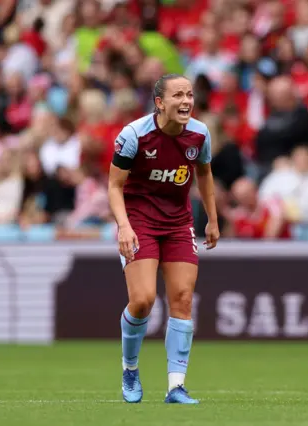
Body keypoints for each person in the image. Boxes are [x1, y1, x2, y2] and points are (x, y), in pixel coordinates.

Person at [108, 74, 219, 404]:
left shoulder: (200, 134)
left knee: (183, 298)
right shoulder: (134, 135)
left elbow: (205, 174)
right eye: (177, 95)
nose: (186, 101)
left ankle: (176, 386)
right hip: (140, 221)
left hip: (178, 223)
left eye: (189, 95)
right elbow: (115, 186)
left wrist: (212, 218)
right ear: (160, 103)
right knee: (142, 300)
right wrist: (124, 226)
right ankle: (130, 369)